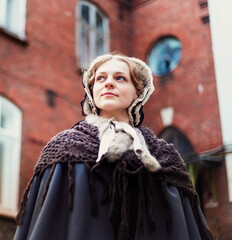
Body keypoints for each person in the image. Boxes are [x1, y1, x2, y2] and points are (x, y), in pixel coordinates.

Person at [14, 53, 213, 240]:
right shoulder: (64, 147)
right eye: (100, 79)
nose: (108, 82)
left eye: (120, 78)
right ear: (91, 90)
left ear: (139, 92)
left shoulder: (165, 156)